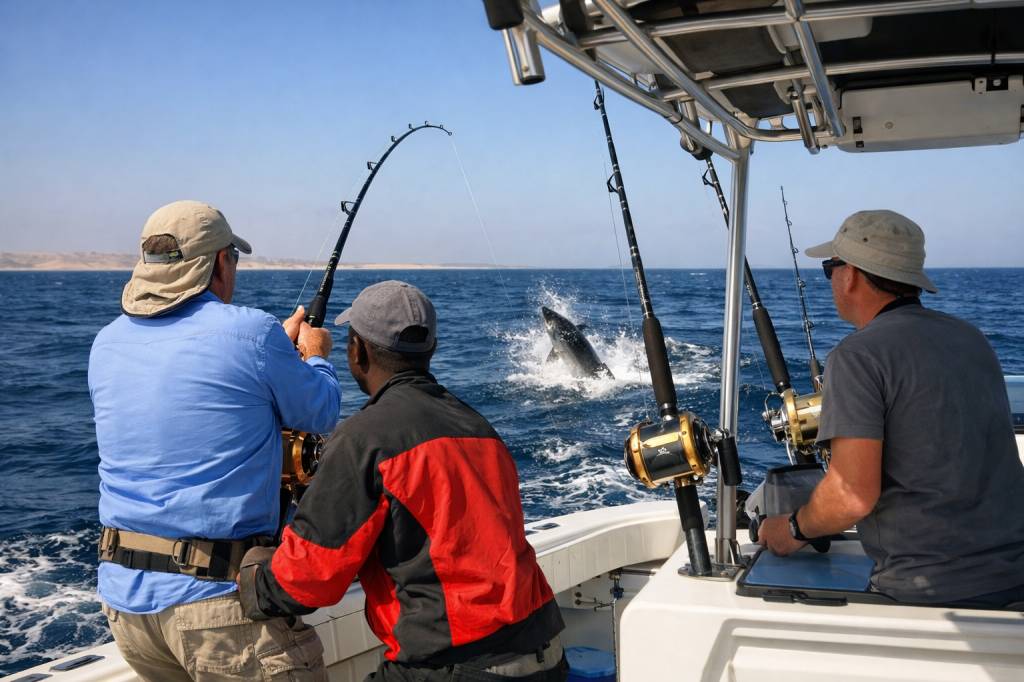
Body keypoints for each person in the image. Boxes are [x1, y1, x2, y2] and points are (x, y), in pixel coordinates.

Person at [238, 280, 567, 681]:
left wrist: (252, 579)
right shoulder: (480, 428)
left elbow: (308, 582)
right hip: (545, 654)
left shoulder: (364, 439)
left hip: (456, 666)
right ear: (431, 350)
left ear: (357, 351)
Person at [89, 200, 341, 680]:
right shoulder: (251, 332)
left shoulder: (107, 343)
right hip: (218, 608)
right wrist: (314, 355)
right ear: (220, 262)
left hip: (129, 611)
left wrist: (272, 354)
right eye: (234, 259)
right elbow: (322, 409)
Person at [756, 210, 1024, 608]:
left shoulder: (857, 356)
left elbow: (850, 496)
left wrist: (790, 529)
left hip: (929, 590)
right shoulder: (971, 339)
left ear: (852, 275)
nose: (831, 280)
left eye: (831, 268)